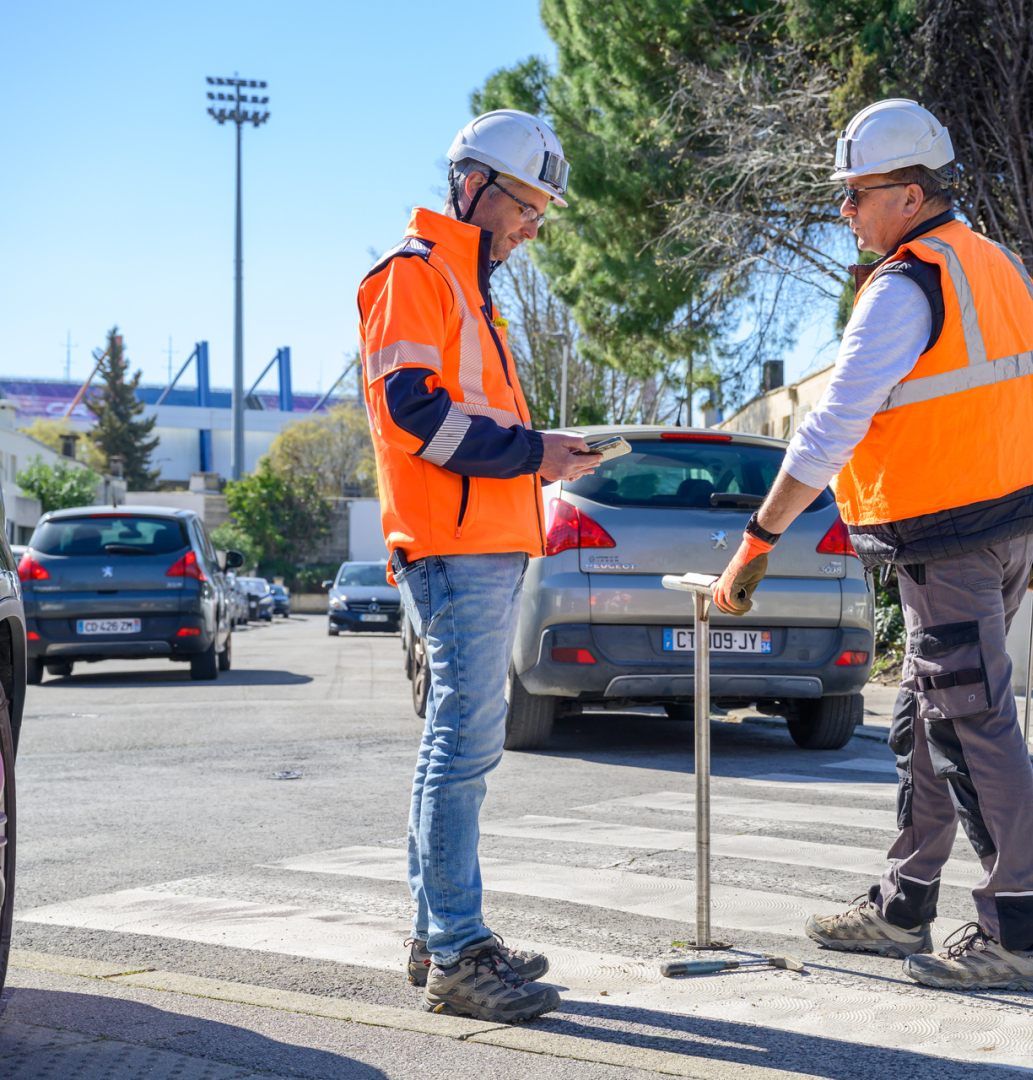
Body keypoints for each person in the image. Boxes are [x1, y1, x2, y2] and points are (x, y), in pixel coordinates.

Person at [712, 99, 1033, 991]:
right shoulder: (998, 268)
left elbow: (832, 425)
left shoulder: (907, 284)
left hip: (953, 537)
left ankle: (1016, 932)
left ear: (908, 195)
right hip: (1006, 527)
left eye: (856, 194)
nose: (844, 212)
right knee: (924, 718)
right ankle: (905, 906)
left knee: (967, 722)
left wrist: (758, 540)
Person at [357, 110, 599, 1022]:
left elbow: (448, 418)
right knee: (464, 749)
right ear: (477, 189)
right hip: (455, 547)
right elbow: (417, 417)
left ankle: (443, 933)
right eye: (530, 206)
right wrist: (534, 453)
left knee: (451, 750)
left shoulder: (463, 284)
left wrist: (540, 453)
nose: (536, 225)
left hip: (476, 544)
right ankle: (457, 951)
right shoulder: (413, 277)